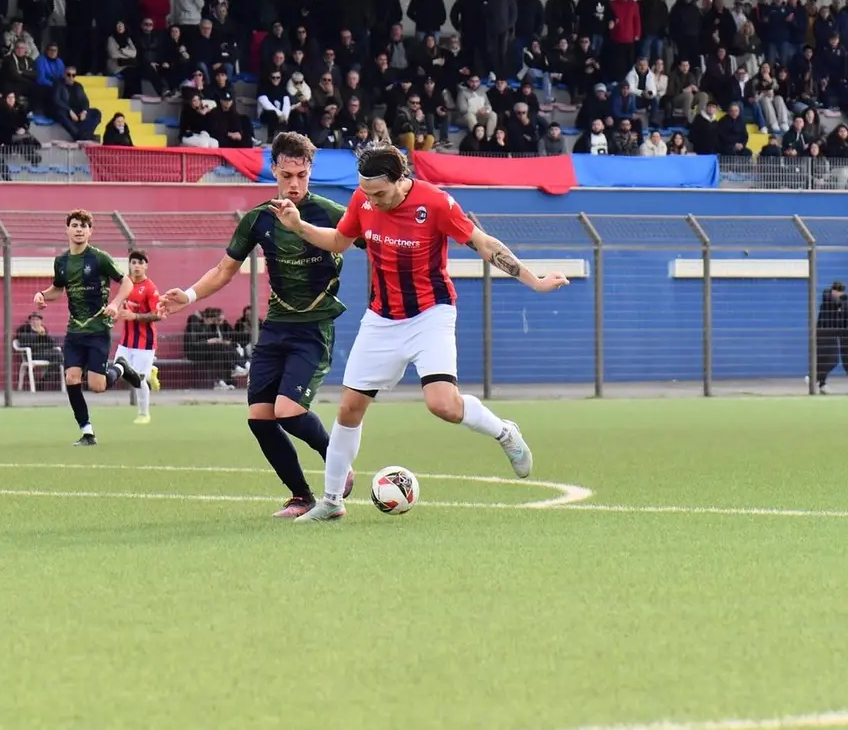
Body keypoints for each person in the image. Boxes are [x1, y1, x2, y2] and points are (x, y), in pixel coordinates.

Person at [269, 146, 570, 523]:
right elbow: (338, 241)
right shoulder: (363, 200)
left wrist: (535, 281)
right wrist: (298, 226)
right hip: (382, 318)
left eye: (380, 193)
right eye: (367, 192)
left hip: (431, 314)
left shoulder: (437, 203)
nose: (372, 201)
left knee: (442, 404)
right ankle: (331, 501)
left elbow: (484, 244)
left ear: (401, 180)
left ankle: (505, 432)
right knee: (349, 409)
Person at [155, 132, 357, 518]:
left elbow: (372, 242)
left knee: (288, 410)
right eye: (286, 175)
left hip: (313, 329)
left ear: (310, 171)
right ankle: (302, 497)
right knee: (260, 418)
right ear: (274, 173)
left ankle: (339, 461)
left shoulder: (332, 213)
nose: (294, 184)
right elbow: (224, 269)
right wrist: (190, 296)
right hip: (275, 328)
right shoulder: (259, 219)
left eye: (301, 175)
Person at [33, 210, 143, 446]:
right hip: (74, 331)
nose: (79, 229)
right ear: (67, 229)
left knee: (97, 386)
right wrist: (42, 295)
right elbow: (57, 289)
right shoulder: (61, 261)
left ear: (90, 231)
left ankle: (120, 369)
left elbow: (126, 282)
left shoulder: (99, 258)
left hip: (98, 329)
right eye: (75, 225)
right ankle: (87, 432)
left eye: (84, 226)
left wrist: (114, 304)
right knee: (72, 378)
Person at [106, 250, 164, 424]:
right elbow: (121, 307)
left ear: (146, 265)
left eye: (140, 262)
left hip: (144, 342)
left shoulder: (151, 288)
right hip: (126, 341)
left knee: (138, 380)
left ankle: (144, 413)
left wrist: (136, 317)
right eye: (133, 262)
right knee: (119, 371)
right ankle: (149, 372)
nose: (136, 266)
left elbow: (158, 314)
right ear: (129, 265)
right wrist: (114, 314)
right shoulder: (126, 285)